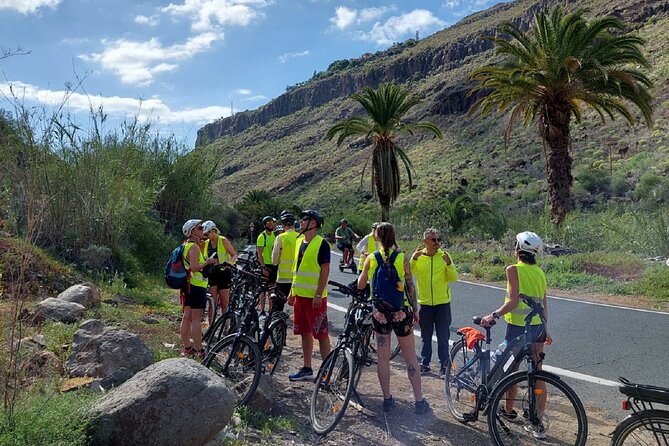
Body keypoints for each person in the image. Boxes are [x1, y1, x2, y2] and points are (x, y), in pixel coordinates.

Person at [481, 231, 552, 440]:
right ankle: (537, 421)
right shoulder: (540, 272)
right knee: (537, 373)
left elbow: (512, 301)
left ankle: (509, 410)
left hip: (518, 329)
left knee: (512, 370)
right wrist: (546, 327)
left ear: (517, 249)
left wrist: (493, 315)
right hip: (538, 327)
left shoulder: (512, 269)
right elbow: (544, 303)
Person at [357, 222, 429, 415]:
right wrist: (415, 309)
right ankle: (419, 400)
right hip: (400, 312)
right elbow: (409, 286)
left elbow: (361, 284)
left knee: (382, 357)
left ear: (377, 237)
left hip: (380, 313)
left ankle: (387, 399)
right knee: (410, 357)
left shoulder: (371, 258)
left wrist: (364, 264)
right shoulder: (402, 258)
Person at [287, 210, 332, 381]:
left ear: (313, 223)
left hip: (315, 297)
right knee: (304, 332)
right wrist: (292, 292)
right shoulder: (299, 241)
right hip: (300, 296)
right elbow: (296, 269)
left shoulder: (322, 244)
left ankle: (326, 372)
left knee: (321, 334)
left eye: (304, 219)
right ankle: (307, 368)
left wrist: (319, 294)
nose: (301, 221)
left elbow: (325, 269)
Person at [410, 228, 458, 378]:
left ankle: (444, 366)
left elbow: (453, 278)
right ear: (425, 241)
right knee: (426, 335)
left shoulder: (444, 256)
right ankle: (425, 364)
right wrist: (413, 259)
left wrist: (449, 264)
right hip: (425, 304)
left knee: (443, 335)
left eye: (438, 239)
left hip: (442, 303)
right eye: (433, 240)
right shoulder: (419, 257)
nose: (437, 242)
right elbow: (409, 274)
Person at [180, 219, 217, 358]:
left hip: (188, 285)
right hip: (196, 286)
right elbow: (195, 267)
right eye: (200, 228)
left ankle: (187, 347)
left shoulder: (186, 245)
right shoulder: (194, 247)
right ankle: (200, 350)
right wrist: (207, 262)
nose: (203, 230)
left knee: (186, 317)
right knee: (196, 319)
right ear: (193, 231)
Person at [202, 220, 238, 315]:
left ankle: (225, 326)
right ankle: (211, 326)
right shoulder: (206, 243)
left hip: (224, 273)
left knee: (224, 302)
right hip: (212, 273)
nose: (206, 236)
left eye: (207, 234)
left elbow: (234, 255)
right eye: (205, 234)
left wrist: (229, 264)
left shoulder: (223, 240)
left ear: (213, 231)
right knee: (212, 302)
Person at [271, 210, 299, 312]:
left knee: (278, 305)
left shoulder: (280, 237)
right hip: (297, 278)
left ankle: (277, 324)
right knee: (297, 306)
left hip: (283, 277)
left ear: (283, 225)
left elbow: (274, 260)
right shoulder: (301, 237)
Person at [257, 216, 277, 312]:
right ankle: (262, 309)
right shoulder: (262, 237)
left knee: (272, 288)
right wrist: (263, 267)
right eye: (269, 224)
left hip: (274, 265)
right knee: (263, 289)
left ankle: (271, 308)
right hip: (265, 265)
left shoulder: (275, 236)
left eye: (272, 223)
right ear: (265, 225)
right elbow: (259, 254)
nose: (271, 225)